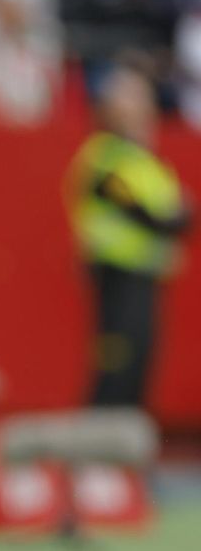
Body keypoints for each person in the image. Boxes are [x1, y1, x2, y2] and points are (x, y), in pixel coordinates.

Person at [68, 65, 191, 407]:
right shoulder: (103, 155)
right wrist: (171, 218)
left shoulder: (144, 160)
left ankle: (121, 449)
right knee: (117, 365)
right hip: (117, 274)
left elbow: (182, 217)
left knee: (139, 365)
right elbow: (151, 215)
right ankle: (100, 446)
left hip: (146, 275)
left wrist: (173, 218)